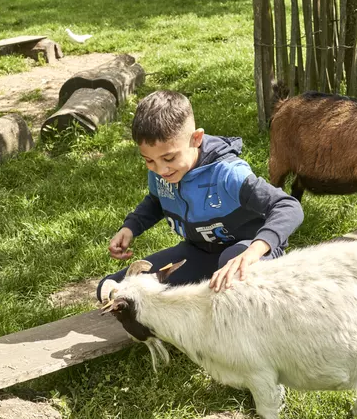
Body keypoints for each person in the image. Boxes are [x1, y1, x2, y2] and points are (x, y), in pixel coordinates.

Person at [97, 90, 303, 300]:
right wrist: (130, 228)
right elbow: (156, 201)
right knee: (115, 288)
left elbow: (288, 207)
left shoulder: (227, 174)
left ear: (196, 139)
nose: (160, 169)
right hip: (198, 253)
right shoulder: (163, 174)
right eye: (149, 161)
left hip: (247, 252)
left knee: (233, 276)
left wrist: (255, 250)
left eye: (169, 158)